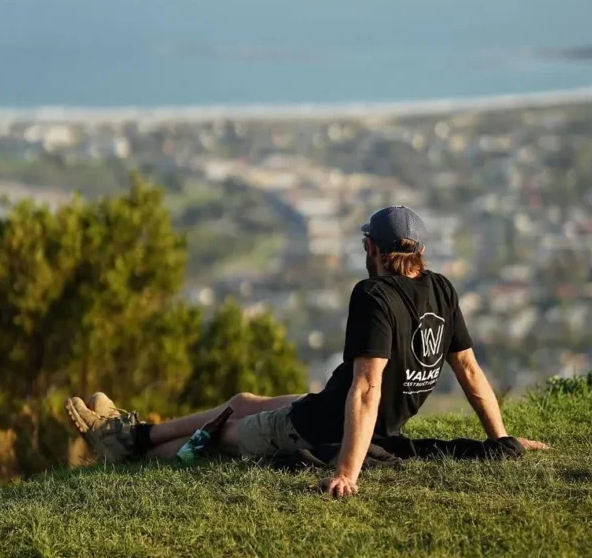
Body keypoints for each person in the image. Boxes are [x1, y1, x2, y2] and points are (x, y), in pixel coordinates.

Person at [66, 205, 549, 497]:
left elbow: (367, 387)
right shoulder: (441, 288)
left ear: (375, 250)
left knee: (226, 432)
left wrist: (346, 472)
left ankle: (130, 457)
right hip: (329, 408)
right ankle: (136, 433)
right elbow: (468, 369)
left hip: (318, 427)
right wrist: (499, 439)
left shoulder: (373, 295)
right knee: (242, 400)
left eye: (366, 245)